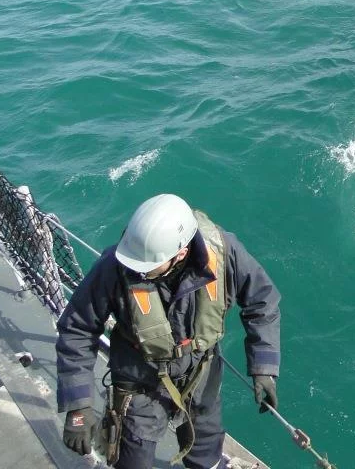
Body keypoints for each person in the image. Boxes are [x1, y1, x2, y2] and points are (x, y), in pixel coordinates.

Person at [56, 194, 281, 469]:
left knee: (206, 452)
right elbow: (77, 328)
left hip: (201, 373)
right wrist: (77, 405)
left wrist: (264, 367)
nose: (135, 269)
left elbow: (262, 301)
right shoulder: (117, 266)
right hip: (140, 380)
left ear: (181, 253)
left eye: (147, 267)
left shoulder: (225, 252)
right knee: (132, 460)